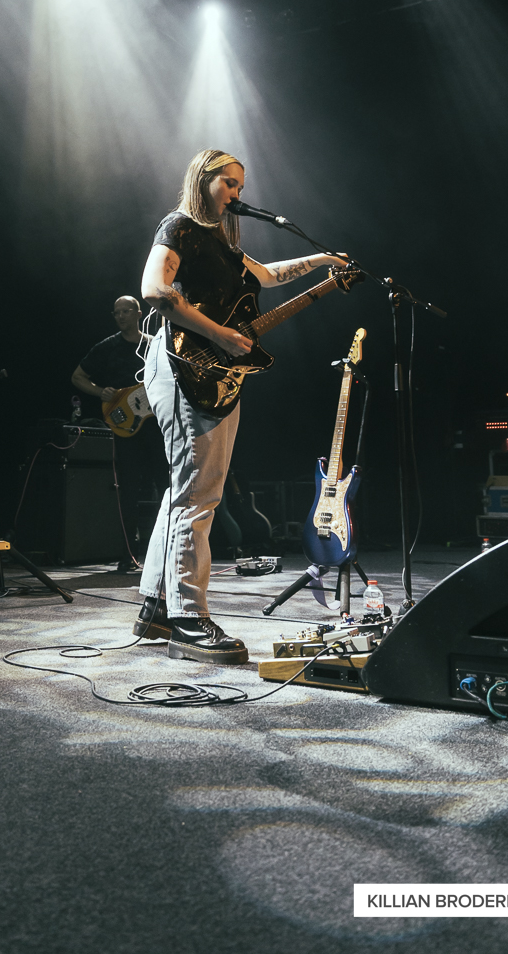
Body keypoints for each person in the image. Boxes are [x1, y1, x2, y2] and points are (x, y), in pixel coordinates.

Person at [134, 148, 349, 664]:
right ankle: (188, 618)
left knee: (185, 490)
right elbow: (154, 289)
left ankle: (155, 606)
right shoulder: (180, 226)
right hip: (187, 366)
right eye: (228, 182)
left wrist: (321, 261)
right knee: (199, 495)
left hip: (215, 374)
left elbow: (268, 276)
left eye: (240, 184)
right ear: (203, 180)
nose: (237, 193)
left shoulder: (222, 242)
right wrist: (219, 336)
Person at [71, 296, 166, 573]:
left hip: (156, 425)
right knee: (128, 490)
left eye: (126, 311)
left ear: (138, 313)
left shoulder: (155, 344)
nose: (121, 316)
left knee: (167, 486)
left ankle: (168, 552)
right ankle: (129, 555)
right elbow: (77, 376)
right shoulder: (107, 347)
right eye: (117, 313)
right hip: (125, 427)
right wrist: (101, 392)